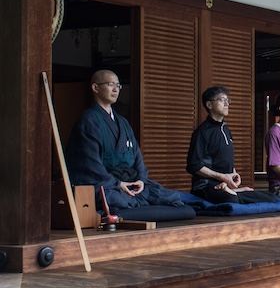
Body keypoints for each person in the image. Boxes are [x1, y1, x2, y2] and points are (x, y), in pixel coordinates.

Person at [65, 70, 196, 220]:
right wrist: (118, 184)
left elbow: (137, 157)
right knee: (116, 199)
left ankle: (129, 211)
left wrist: (140, 179)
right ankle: (128, 210)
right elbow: (89, 164)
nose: (115, 89)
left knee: (171, 198)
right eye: (110, 84)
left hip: (131, 183)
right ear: (95, 88)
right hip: (107, 184)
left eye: (118, 86)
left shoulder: (123, 122)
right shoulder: (88, 120)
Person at [187, 86, 280, 204]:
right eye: (222, 100)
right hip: (206, 186)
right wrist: (222, 177)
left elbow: (225, 159)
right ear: (209, 105)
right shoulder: (202, 132)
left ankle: (235, 192)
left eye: (228, 100)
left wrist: (233, 175)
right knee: (230, 198)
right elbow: (193, 165)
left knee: (270, 197)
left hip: (225, 184)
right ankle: (234, 193)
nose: (227, 103)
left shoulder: (226, 131)